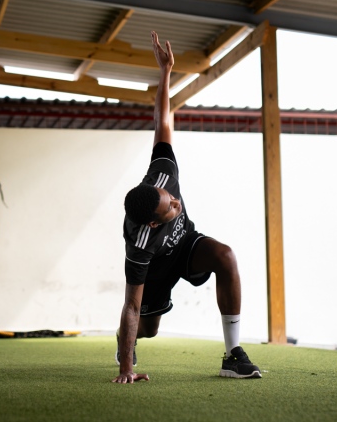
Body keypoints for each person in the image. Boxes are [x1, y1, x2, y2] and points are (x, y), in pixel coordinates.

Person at [112, 31, 261, 384]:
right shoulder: (140, 243)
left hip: (187, 245)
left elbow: (162, 119)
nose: (176, 202)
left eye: (173, 199)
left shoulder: (162, 173)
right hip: (156, 271)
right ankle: (125, 343)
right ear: (151, 223)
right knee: (147, 329)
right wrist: (126, 369)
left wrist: (165, 74)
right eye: (169, 208)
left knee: (225, 256)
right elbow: (132, 304)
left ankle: (233, 354)